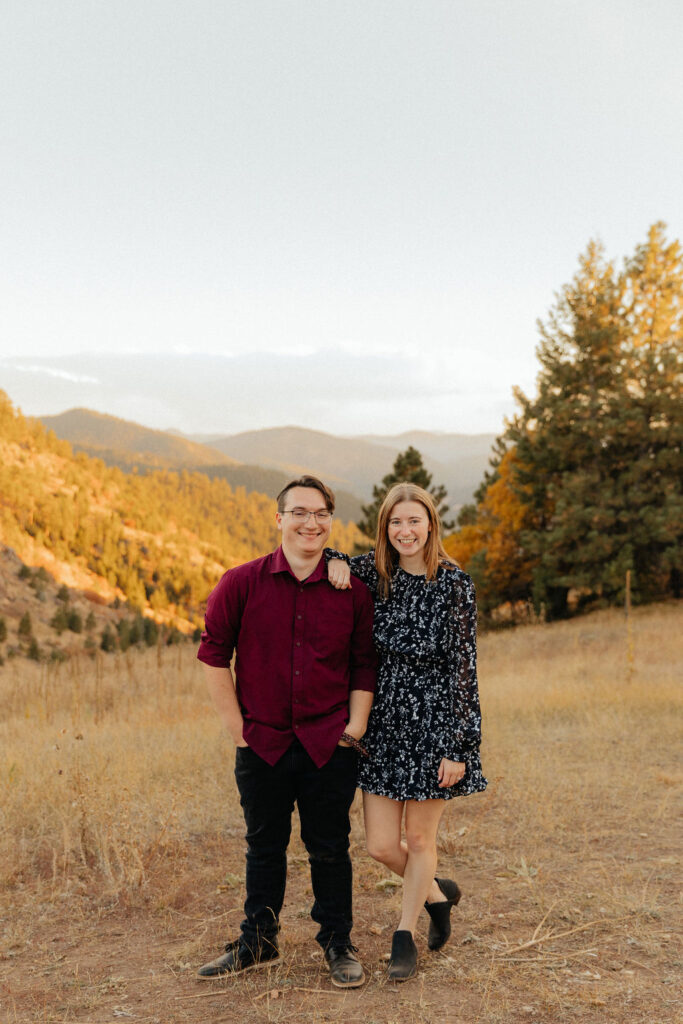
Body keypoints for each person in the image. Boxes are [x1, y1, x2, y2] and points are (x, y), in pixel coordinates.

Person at [196, 475, 376, 988]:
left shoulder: (351, 590)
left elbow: (365, 665)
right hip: (263, 742)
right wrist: (237, 730)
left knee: (330, 847)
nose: (309, 522)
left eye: (320, 514)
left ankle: (338, 942)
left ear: (330, 521)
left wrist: (354, 727)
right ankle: (259, 941)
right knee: (263, 846)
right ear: (279, 519)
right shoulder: (240, 582)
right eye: (299, 512)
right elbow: (213, 656)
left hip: (329, 744)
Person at [327, 482, 486, 981]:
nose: (406, 530)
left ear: (431, 524)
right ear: (385, 529)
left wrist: (459, 746)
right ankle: (438, 897)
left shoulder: (454, 584)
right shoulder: (376, 577)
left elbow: (465, 670)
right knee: (379, 844)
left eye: (414, 520)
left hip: (436, 726)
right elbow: (325, 554)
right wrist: (333, 557)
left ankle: (405, 934)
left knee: (419, 839)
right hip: (384, 724)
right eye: (396, 522)